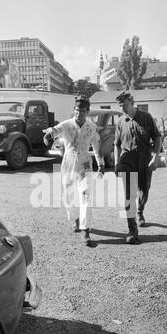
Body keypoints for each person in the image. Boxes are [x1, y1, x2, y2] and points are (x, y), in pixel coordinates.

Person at [43, 95, 105, 246]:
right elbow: (55, 130)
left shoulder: (91, 127)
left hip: (85, 163)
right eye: (77, 110)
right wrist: (48, 135)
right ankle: (77, 220)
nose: (79, 113)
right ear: (74, 110)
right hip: (69, 163)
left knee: (86, 196)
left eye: (82, 111)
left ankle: (86, 231)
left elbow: (97, 145)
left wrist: (101, 164)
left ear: (87, 111)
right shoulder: (67, 124)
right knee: (70, 196)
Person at [114, 91, 162, 244]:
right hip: (127, 161)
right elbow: (117, 145)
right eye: (121, 106)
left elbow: (157, 138)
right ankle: (132, 230)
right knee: (129, 195)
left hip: (144, 160)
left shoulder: (146, 118)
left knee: (144, 189)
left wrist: (155, 157)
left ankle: (140, 211)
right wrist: (116, 163)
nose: (123, 109)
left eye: (125, 106)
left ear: (132, 103)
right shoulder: (120, 121)